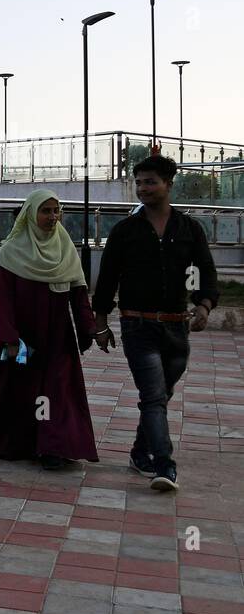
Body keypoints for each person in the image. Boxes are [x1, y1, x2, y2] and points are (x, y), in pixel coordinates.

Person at [91, 154, 218, 492]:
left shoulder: (189, 228)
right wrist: (100, 322)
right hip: (138, 326)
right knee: (153, 396)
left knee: (161, 394)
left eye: (151, 182)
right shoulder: (125, 231)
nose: (144, 188)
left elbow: (206, 270)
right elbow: (106, 279)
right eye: (140, 182)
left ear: (168, 184)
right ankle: (164, 464)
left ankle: (138, 452)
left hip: (177, 329)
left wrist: (204, 304)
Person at [0, 188, 102, 468]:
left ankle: (54, 448)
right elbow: (5, 302)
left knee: (57, 391)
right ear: (31, 214)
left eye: (56, 211)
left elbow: (78, 294)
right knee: (23, 392)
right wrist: (9, 339)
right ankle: (29, 444)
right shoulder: (11, 252)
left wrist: (90, 329)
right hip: (25, 337)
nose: (52, 217)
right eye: (45, 211)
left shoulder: (66, 249)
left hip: (58, 336)